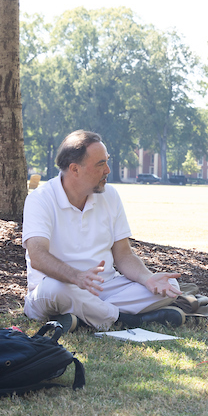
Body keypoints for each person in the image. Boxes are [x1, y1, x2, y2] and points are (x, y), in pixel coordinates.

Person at [22, 130, 183, 331]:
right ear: (75, 169)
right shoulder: (40, 199)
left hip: (104, 288)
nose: (108, 170)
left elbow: (124, 255)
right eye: (100, 164)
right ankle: (126, 320)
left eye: (107, 161)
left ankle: (81, 317)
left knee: (169, 287)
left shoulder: (110, 195)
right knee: (56, 289)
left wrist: (148, 279)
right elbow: (37, 256)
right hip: (57, 286)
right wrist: (76, 277)